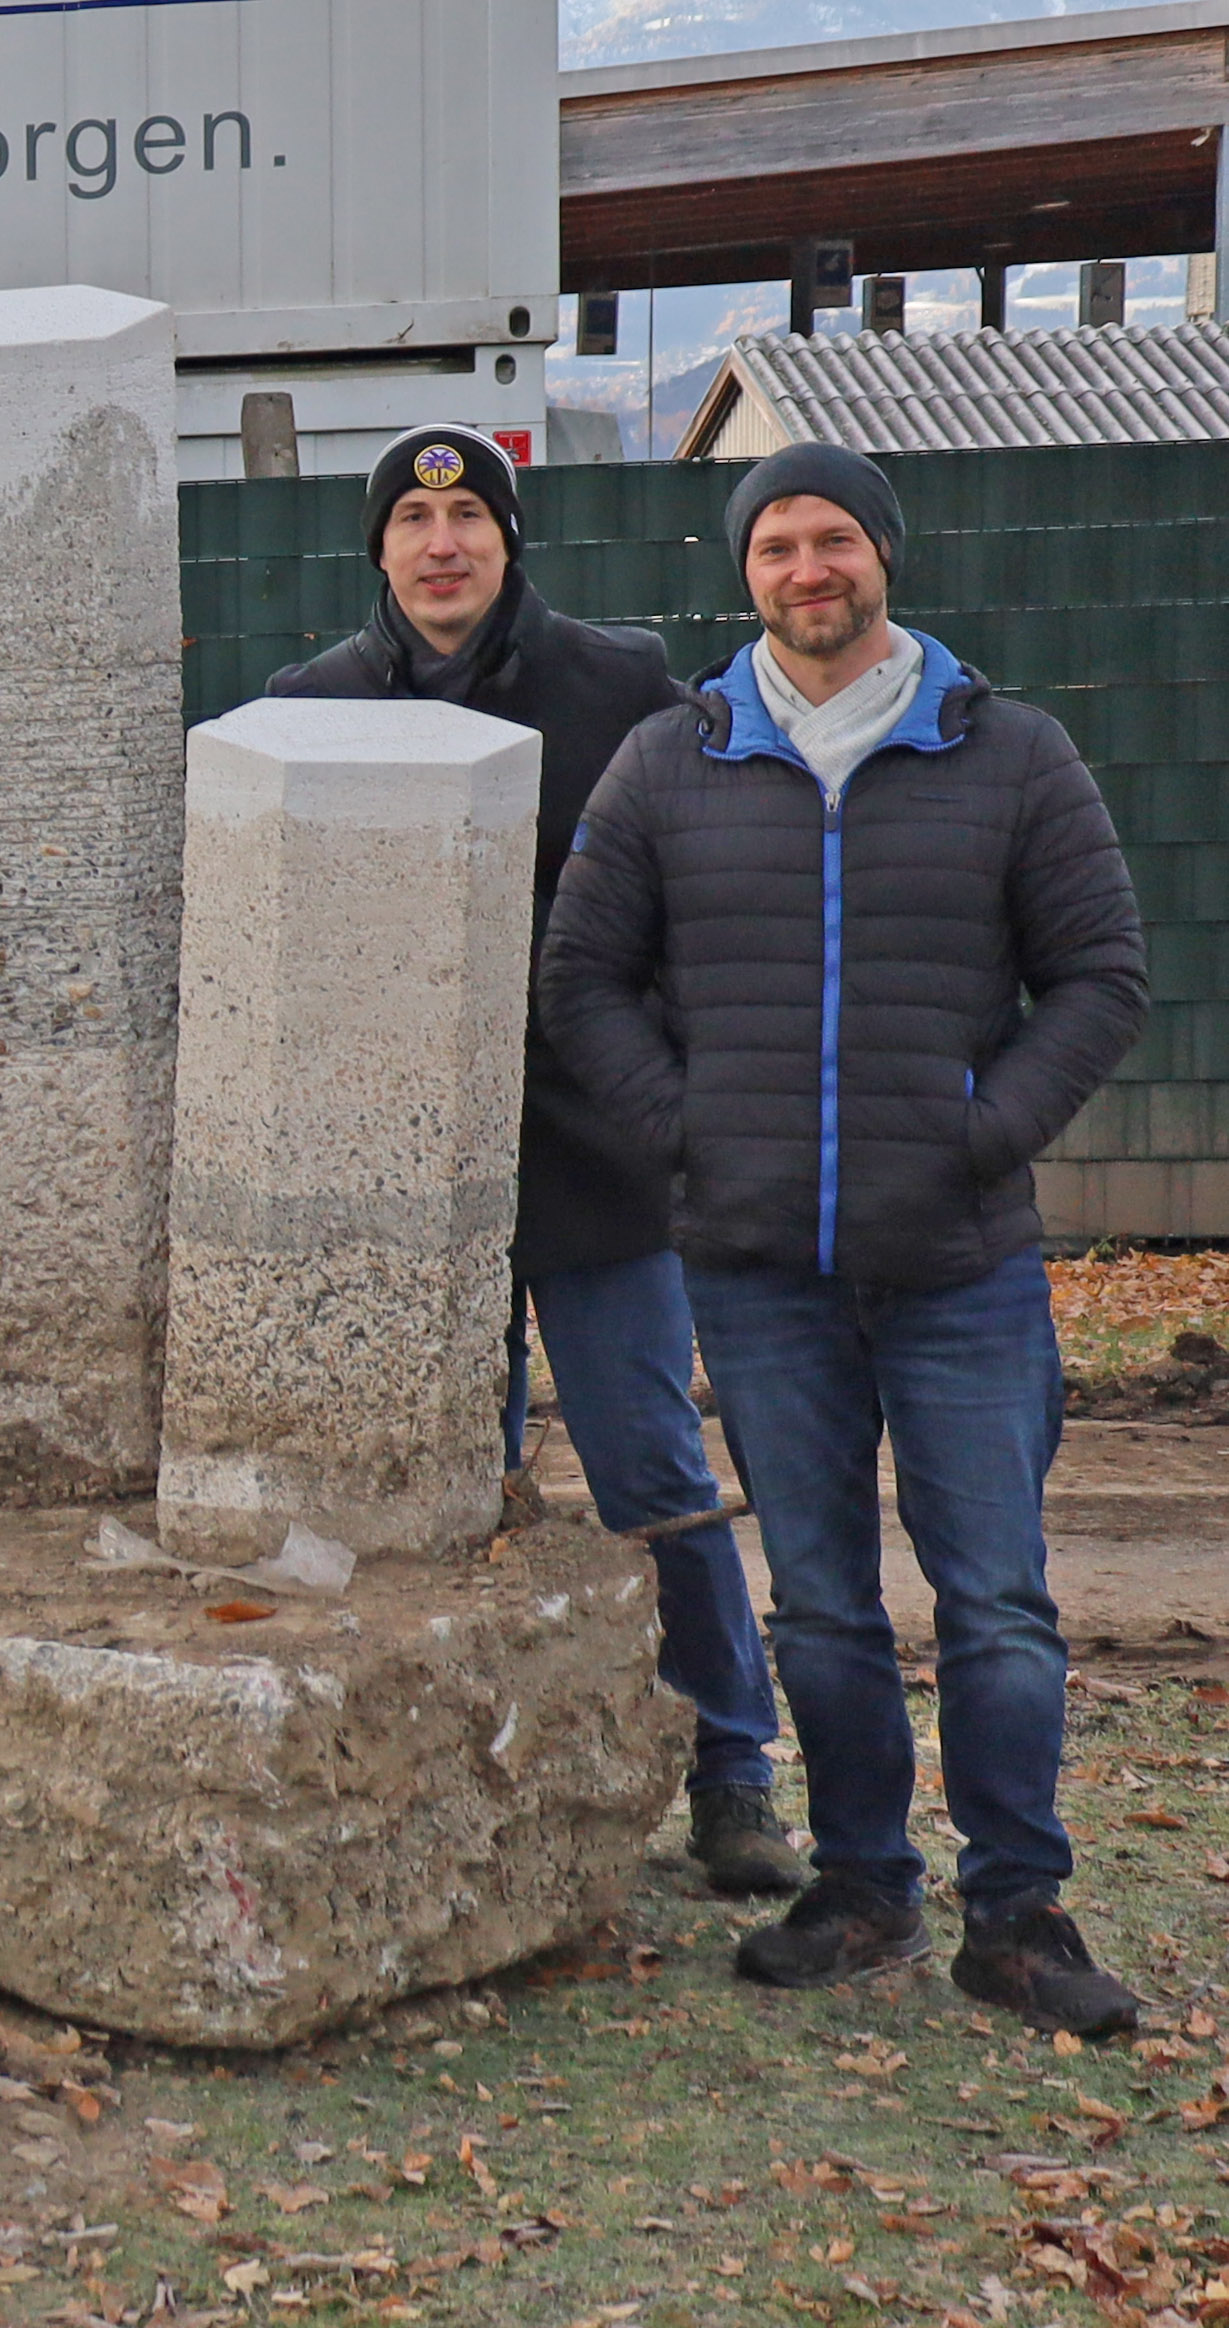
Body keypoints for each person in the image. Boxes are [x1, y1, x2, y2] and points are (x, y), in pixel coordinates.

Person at [540, 441, 1150, 2035]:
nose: (808, 571)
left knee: (997, 1601)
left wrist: (979, 1129)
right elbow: (582, 978)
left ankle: (1017, 1911)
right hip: (754, 1273)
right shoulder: (671, 762)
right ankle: (865, 1886)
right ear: (743, 572)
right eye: (775, 548)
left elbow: (1099, 977)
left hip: (959, 1264)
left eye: (834, 542)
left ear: (884, 554)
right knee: (817, 1602)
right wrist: (689, 1129)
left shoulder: (1008, 754)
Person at [267, 425, 805, 1899]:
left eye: (469, 516)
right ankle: (462, 1774)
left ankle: (731, 1765)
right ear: (377, 549)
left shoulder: (621, 690)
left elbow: (703, 898)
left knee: (646, 1462)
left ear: (508, 538)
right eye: (414, 519)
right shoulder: (310, 709)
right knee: (454, 1478)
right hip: (397, 1176)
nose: (443, 543)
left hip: (593, 1156)